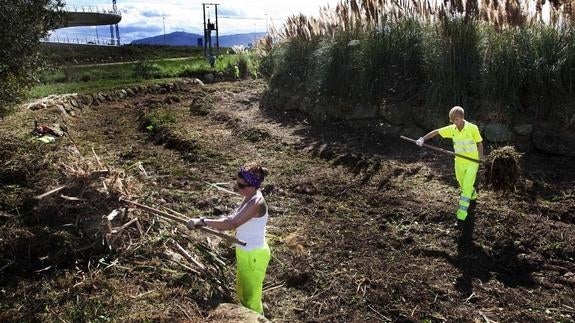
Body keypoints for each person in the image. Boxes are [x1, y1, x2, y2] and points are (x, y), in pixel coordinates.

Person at [187, 161, 271, 315]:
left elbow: (232, 223)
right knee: (241, 291)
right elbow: (232, 218)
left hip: (254, 255)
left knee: (250, 298)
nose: (237, 188)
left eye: (241, 185)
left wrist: (202, 221)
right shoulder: (249, 196)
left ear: (252, 186)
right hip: (245, 251)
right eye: (237, 183)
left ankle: (258, 318)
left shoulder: (257, 202)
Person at [415, 106, 484, 224]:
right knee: (461, 182)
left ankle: (461, 215)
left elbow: (479, 144)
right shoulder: (452, 129)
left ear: (462, 118)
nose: (454, 122)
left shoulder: (473, 128)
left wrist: (480, 159)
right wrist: (423, 139)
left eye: (456, 120)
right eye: (452, 120)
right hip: (459, 161)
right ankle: (472, 194)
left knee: (466, 187)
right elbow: (436, 131)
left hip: (472, 161)